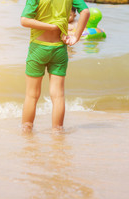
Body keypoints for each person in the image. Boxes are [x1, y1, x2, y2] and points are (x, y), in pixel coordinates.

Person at [20, 0, 90, 132]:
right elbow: (86, 12)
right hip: (59, 49)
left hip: (38, 49)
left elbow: (24, 20)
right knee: (58, 95)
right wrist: (76, 37)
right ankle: (57, 131)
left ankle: (26, 130)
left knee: (31, 95)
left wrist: (51, 27)